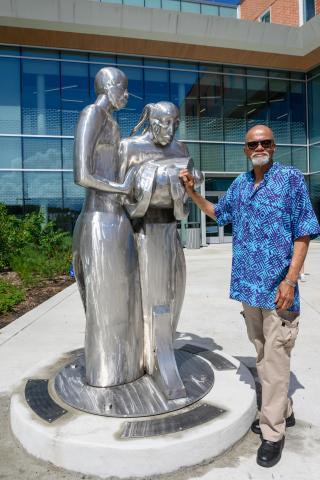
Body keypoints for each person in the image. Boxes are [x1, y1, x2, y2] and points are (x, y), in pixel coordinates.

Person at [179, 125, 320, 468]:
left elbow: (304, 232)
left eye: (265, 142)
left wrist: (290, 280)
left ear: (274, 146)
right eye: (253, 143)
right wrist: (193, 193)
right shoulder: (241, 185)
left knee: (274, 359)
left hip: (278, 291)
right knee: (263, 355)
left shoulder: (291, 180)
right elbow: (219, 214)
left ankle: (272, 432)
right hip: (248, 289)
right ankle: (283, 410)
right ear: (246, 150)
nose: (259, 146)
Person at [118, 101, 203, 399]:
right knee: (148, 297)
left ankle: (161, 354)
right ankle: (145, 357)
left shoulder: (181, 150)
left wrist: (186, 186)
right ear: (151, 120)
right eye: (164, 123)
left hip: (170, 232)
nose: (170, 130)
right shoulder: (129, 148)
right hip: (141, 234)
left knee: (173, 292)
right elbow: (119, 195)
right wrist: (154, 179)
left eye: (175, 123)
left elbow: (188, 196)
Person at [72, 67, 144, 388]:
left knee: (124, 297)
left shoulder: (113, 123)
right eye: (124, 89)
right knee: (102, 304)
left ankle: (124, 367)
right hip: (99, 221)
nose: (126, 95)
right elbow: (82, 175)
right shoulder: (93, 114)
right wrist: (122, 186)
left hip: (118, 221)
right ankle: (104, 374)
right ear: (110, 86)